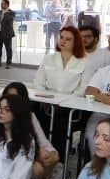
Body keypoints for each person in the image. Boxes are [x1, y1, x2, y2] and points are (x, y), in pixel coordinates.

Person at [33, 26, 89, 155]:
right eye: (61, 37)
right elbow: (38, 82)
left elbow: (83, 89)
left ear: (76, 42)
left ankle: (58, 158)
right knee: (31, 113)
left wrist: (65, 102)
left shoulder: (84, 62)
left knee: (58, 121)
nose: (63, 41)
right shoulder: (49, 58)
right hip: (47, 102)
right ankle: (38, 153)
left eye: (68, 39)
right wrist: (44, 98)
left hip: (70, 106)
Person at [0, 0, 15, 68]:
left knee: (8, 49)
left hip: (7, 33)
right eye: (1, 3)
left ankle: (8, 64)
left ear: (7, 4)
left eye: (3, 3)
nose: (1, 5)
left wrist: (5, 12)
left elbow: (8, 20)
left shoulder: (11, 13)